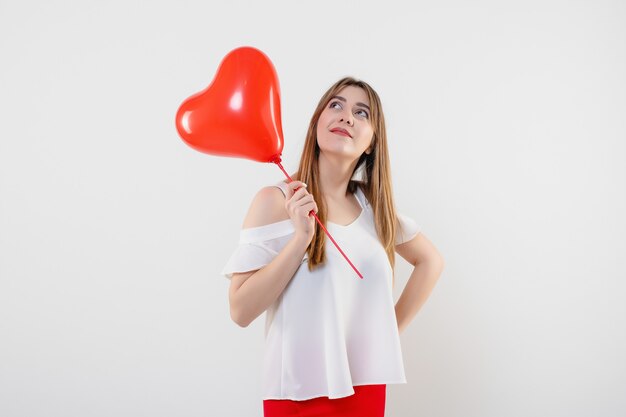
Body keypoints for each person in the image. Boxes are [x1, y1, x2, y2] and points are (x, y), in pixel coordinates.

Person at [221, 77, 444, 417]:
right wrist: (300, 241)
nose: (346, 117)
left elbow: (431, 261)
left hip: (366, 390)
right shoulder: (276, 201)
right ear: (317, 123)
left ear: (372, 142)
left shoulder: (374, 207)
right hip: (297, 395)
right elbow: (240, 311)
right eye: (336, 105)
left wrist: (388, 331)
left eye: (361, 112)